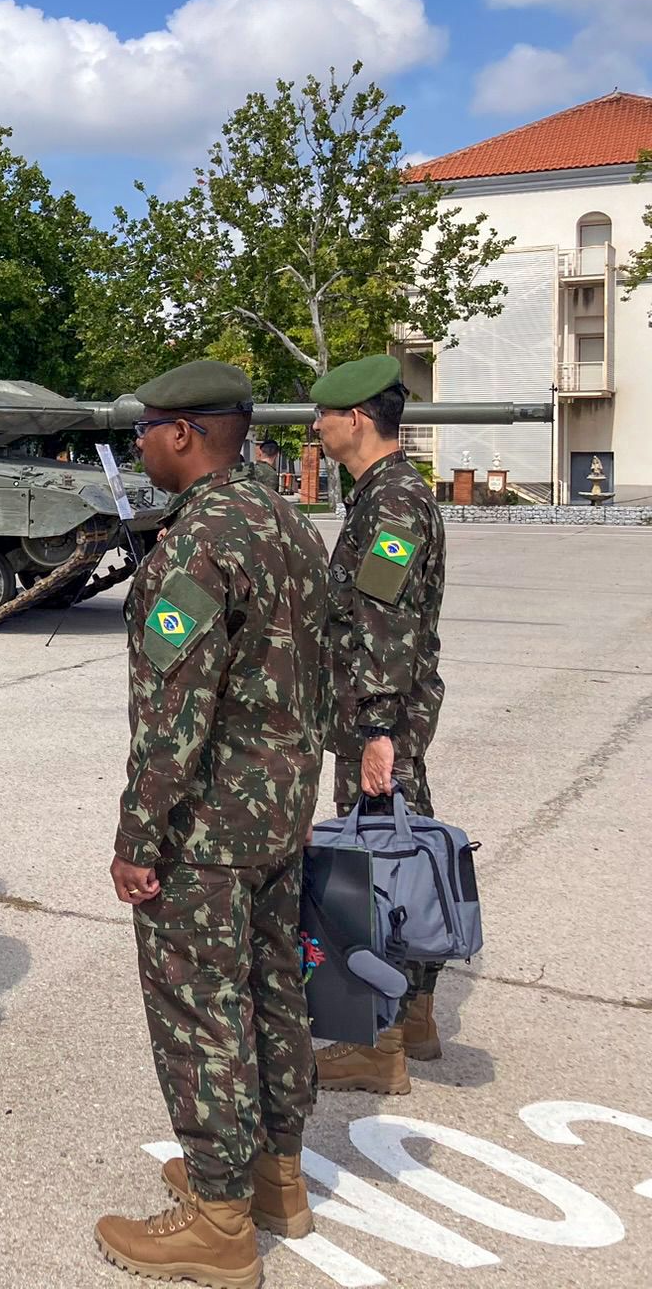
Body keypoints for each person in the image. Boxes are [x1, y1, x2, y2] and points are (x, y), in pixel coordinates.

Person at [95, 360, 331, 1286]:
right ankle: (276, 1177)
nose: (141, 445)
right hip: (278, 818)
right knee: (274, 993)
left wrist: (136, 838)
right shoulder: (286, 521)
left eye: (146, 429)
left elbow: (172, 712)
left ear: (183, 433)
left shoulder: (198, 545)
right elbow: (318, 671)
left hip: (209, 830)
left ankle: (219, 1219)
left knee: (200, 1008)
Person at [307, 354, 449, 1095]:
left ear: (356, 417)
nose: (317, 425)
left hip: (381, 715)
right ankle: (415, 1016)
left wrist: (376, 730)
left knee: (376, 873)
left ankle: (379, 1040)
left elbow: (382, 622)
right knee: (402, 851)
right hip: (385, 712)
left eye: (325, 413)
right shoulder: (382, 494)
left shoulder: (391, 502)